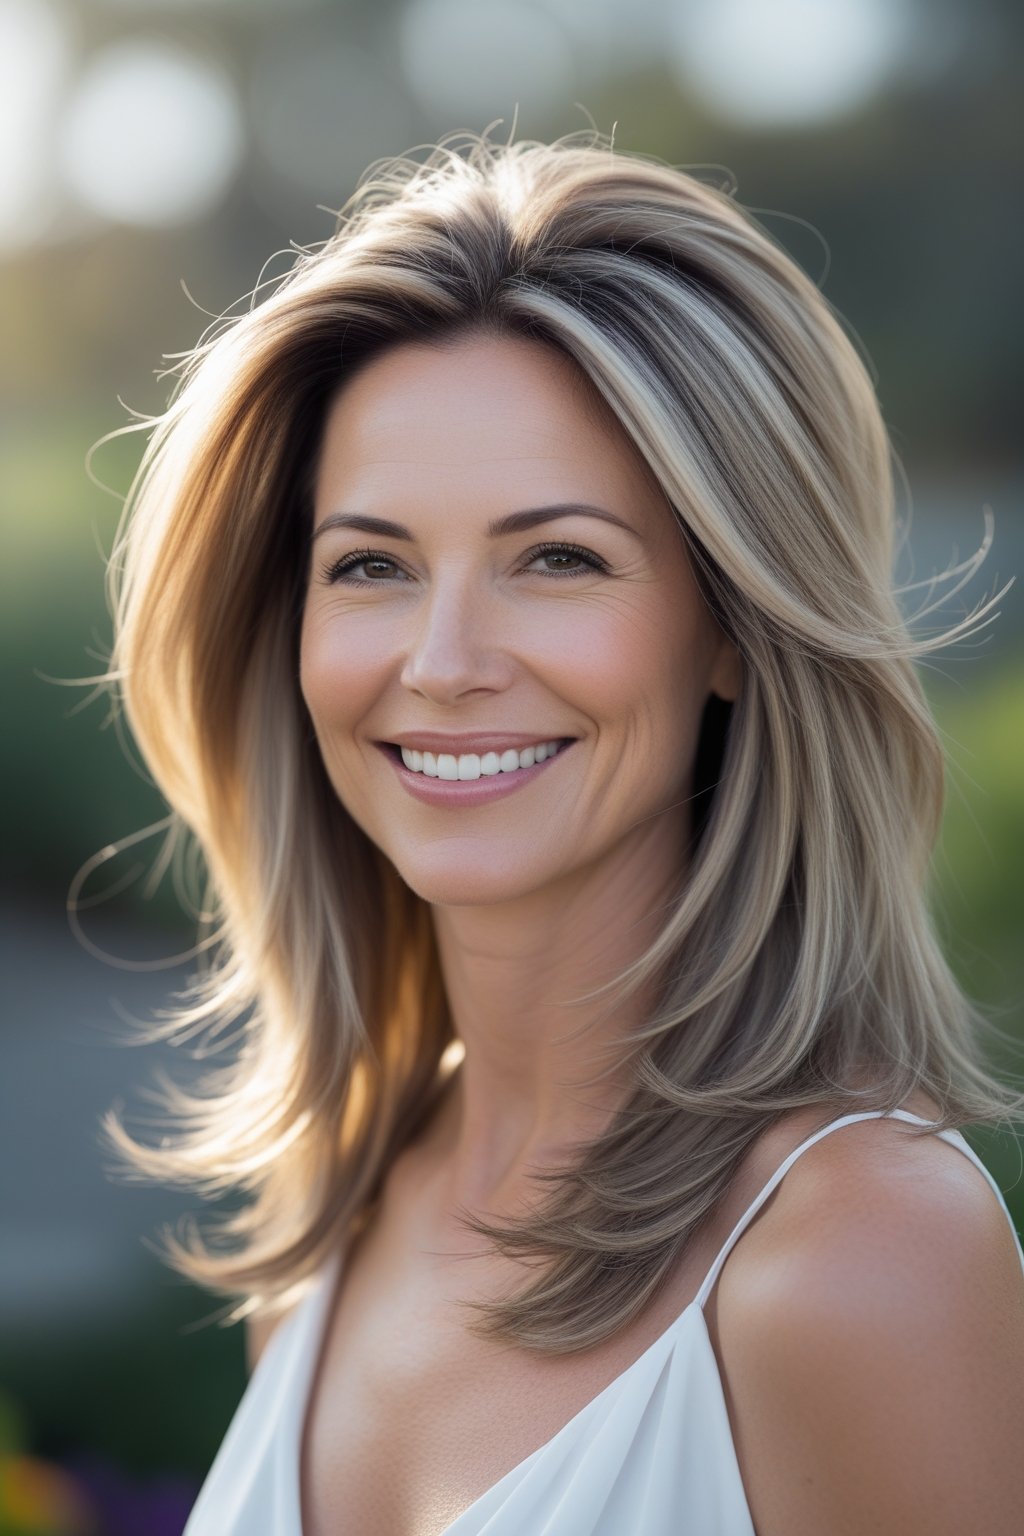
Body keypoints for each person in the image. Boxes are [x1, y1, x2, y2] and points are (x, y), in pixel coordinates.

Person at [94, 132, 1024, 1534]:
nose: (446, 660)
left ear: (729, 627)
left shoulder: (865, 1253)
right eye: (371, 566)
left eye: (558, 559)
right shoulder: (336, 1223)